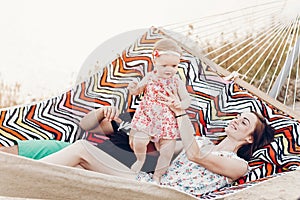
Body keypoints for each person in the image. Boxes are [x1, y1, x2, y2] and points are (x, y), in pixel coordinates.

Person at [37, 88, 275, 197]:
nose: (236, 121)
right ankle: (23, 185)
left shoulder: (239, 165)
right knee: (79, 166)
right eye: (237, 117)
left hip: (167, 195)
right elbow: (165, 148)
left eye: (244, 122)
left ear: (249, 138)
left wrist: (181, 114)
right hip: (150, 183)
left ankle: (24, 172)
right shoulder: (202, 141)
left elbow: (195, 156)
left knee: (81, 150)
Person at [0, 106, 162, 173]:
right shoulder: (132, 117)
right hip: (75, 149)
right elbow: (87, 125)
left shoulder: (170, 133)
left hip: (98, 168)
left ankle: (21, 175)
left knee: (21, 171)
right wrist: (100, 112)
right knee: (11, 152)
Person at [127, 38, 191, 182]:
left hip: (167, 120)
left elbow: (187, 100)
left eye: (174, 65)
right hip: (148, 116)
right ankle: (140, 159)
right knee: (139, 139)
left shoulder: (177, 81)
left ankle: (157, 176)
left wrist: (179, 104)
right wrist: (133, 88)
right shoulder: (150, 77)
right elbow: (137, 91)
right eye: (164, 65)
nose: (169, 69)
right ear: (155, 61)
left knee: (167, 152)